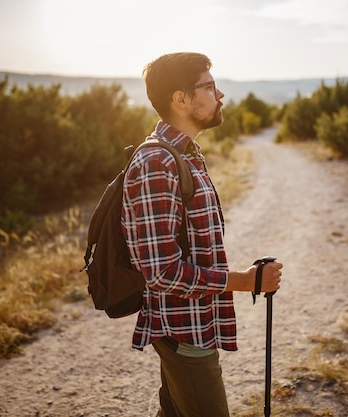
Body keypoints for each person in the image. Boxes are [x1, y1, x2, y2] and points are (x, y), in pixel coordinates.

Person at [121, 52, 283, 417]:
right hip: (183, 332)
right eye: (208, 86)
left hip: (193, 326)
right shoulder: (155, 164)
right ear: (180, 99)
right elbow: (162, 272)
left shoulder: (185, 154)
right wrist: (243, 280)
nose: (220, 94)